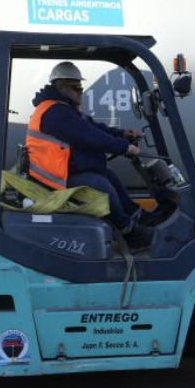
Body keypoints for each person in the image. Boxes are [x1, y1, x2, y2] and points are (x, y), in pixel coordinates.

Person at [26, 62, 153, 249]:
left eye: (81, 88)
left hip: (62, 172)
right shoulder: (55, 112)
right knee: (100, 187)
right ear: (61, 86)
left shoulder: (63, 107)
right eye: (75, 88)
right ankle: (130, 232)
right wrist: (123, 147)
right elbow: (89, 137)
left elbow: (92, 127)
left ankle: (139, 217)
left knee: (109, 176)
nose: (80, 92)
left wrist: (123, 135)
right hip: (53, 179)